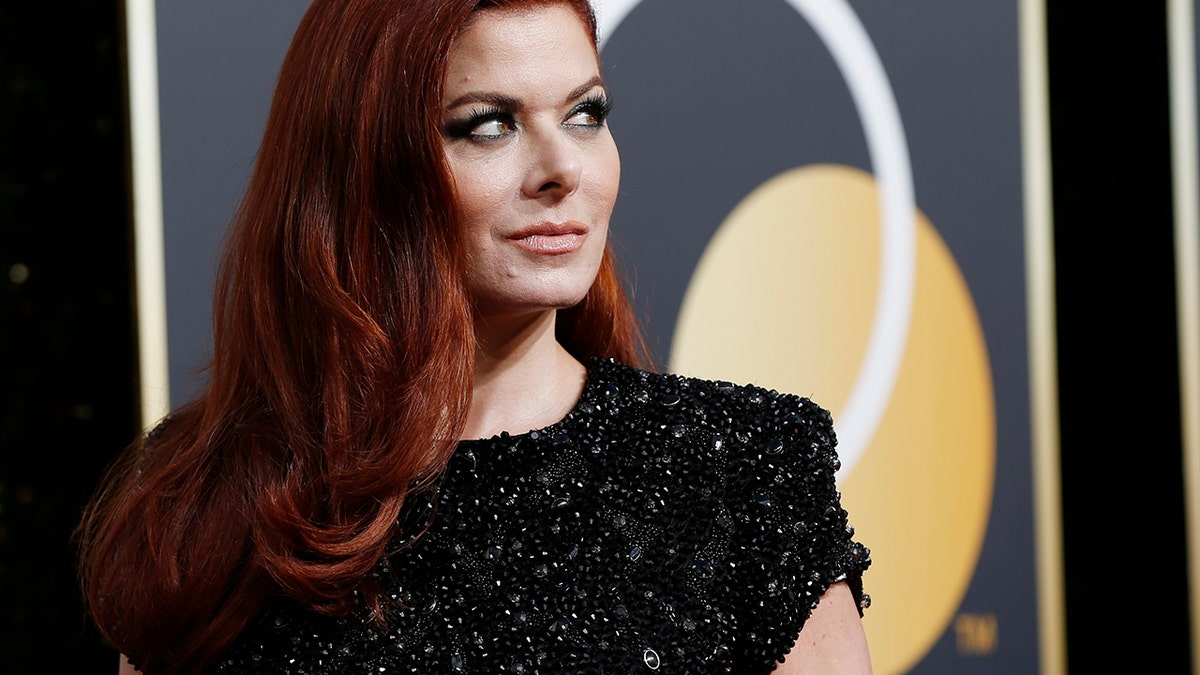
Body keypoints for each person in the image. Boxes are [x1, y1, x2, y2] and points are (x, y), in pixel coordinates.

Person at [76, 0, 872, 673]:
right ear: (367, 165)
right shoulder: (209, 499)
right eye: (489, 125)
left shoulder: (745, 468)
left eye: (585, 114)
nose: (564, 166)